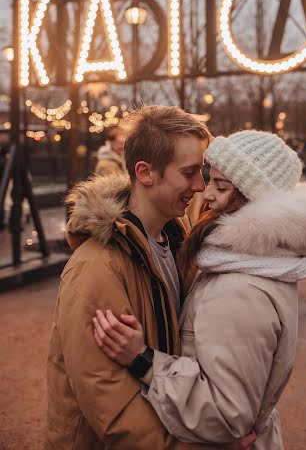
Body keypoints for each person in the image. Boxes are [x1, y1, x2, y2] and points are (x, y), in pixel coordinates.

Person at [93, 130, 306, 449]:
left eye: (220, 186)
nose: (205, 192)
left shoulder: (239, 288)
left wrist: (144, 361)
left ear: (253, 199)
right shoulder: (254, 261)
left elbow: (226, 414)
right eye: (209, 179)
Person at [45, 106, 254, 450]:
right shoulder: (96, 267)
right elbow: (110, 403)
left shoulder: (178, 243)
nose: (200, 186)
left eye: (201, 172)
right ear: (145, 173)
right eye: (189, 173)